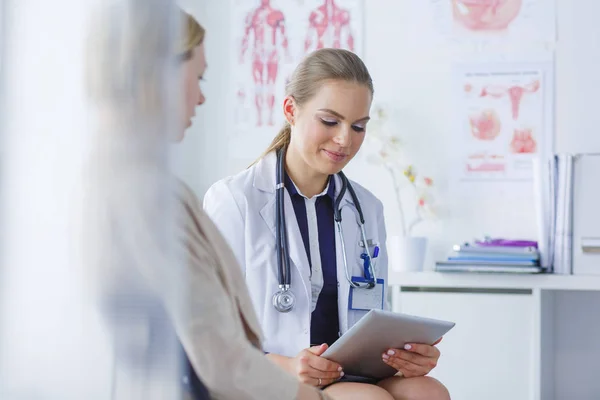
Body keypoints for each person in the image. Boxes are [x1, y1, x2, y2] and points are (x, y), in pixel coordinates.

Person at [84, 1, 333, 399]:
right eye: (196, 78)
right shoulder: (145, 195)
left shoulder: (128, 180)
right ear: (157, 73)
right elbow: (222, 361)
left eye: (358, 126)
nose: (200, 99)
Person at [203, 48, 451, 400]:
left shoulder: (366, 207)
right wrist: (285, 365)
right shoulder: (234, 200)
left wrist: (401, 357)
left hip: (348, 372)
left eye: (358, 126)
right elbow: (208, 332)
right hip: (268, 373)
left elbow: (372, 316)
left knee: (429, 392)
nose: (345, 140)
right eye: (330, 121)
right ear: (291, 110)